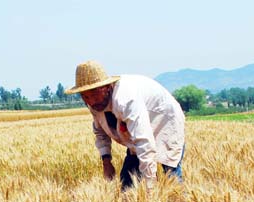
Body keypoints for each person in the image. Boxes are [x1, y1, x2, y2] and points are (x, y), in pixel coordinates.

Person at [65, 60, 185, 190]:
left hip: (164, 120)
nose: (91, 101)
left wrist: (150, 185)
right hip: (135, 129)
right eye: (85, 96)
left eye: (94, 94)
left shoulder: (126, 99)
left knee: (171, 174)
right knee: (127, 184)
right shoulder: (94, 104)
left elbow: (144, 141)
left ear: (107, 87)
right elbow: (100, 132)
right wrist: (106, 162)